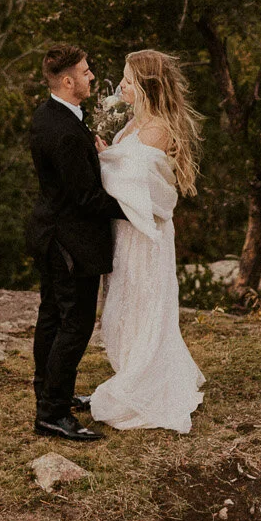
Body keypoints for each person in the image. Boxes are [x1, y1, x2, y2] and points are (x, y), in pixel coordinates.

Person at [87, 48, 205, 433]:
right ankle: (131, 373)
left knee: (143, 304)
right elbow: (126, 167)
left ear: (145, 86)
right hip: (126, 231)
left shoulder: (158, 128)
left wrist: (104, 162)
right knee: (124, 302)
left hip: (145, 234)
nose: (121, 84)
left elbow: (140, 183)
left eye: (128, 79)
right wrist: (110, 154)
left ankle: (143, 384)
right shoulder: (138, 123)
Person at [26, 43, 126, 441]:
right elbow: (85, 197)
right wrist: (135, 209)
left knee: (52, 317)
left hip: (51, 233)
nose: (90, 76)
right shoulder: (64, 131)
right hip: (69, 242)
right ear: (67, 81)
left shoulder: (51, 114)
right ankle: (52, 413)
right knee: (75, 324)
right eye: (84, 72)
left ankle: (51, 394)